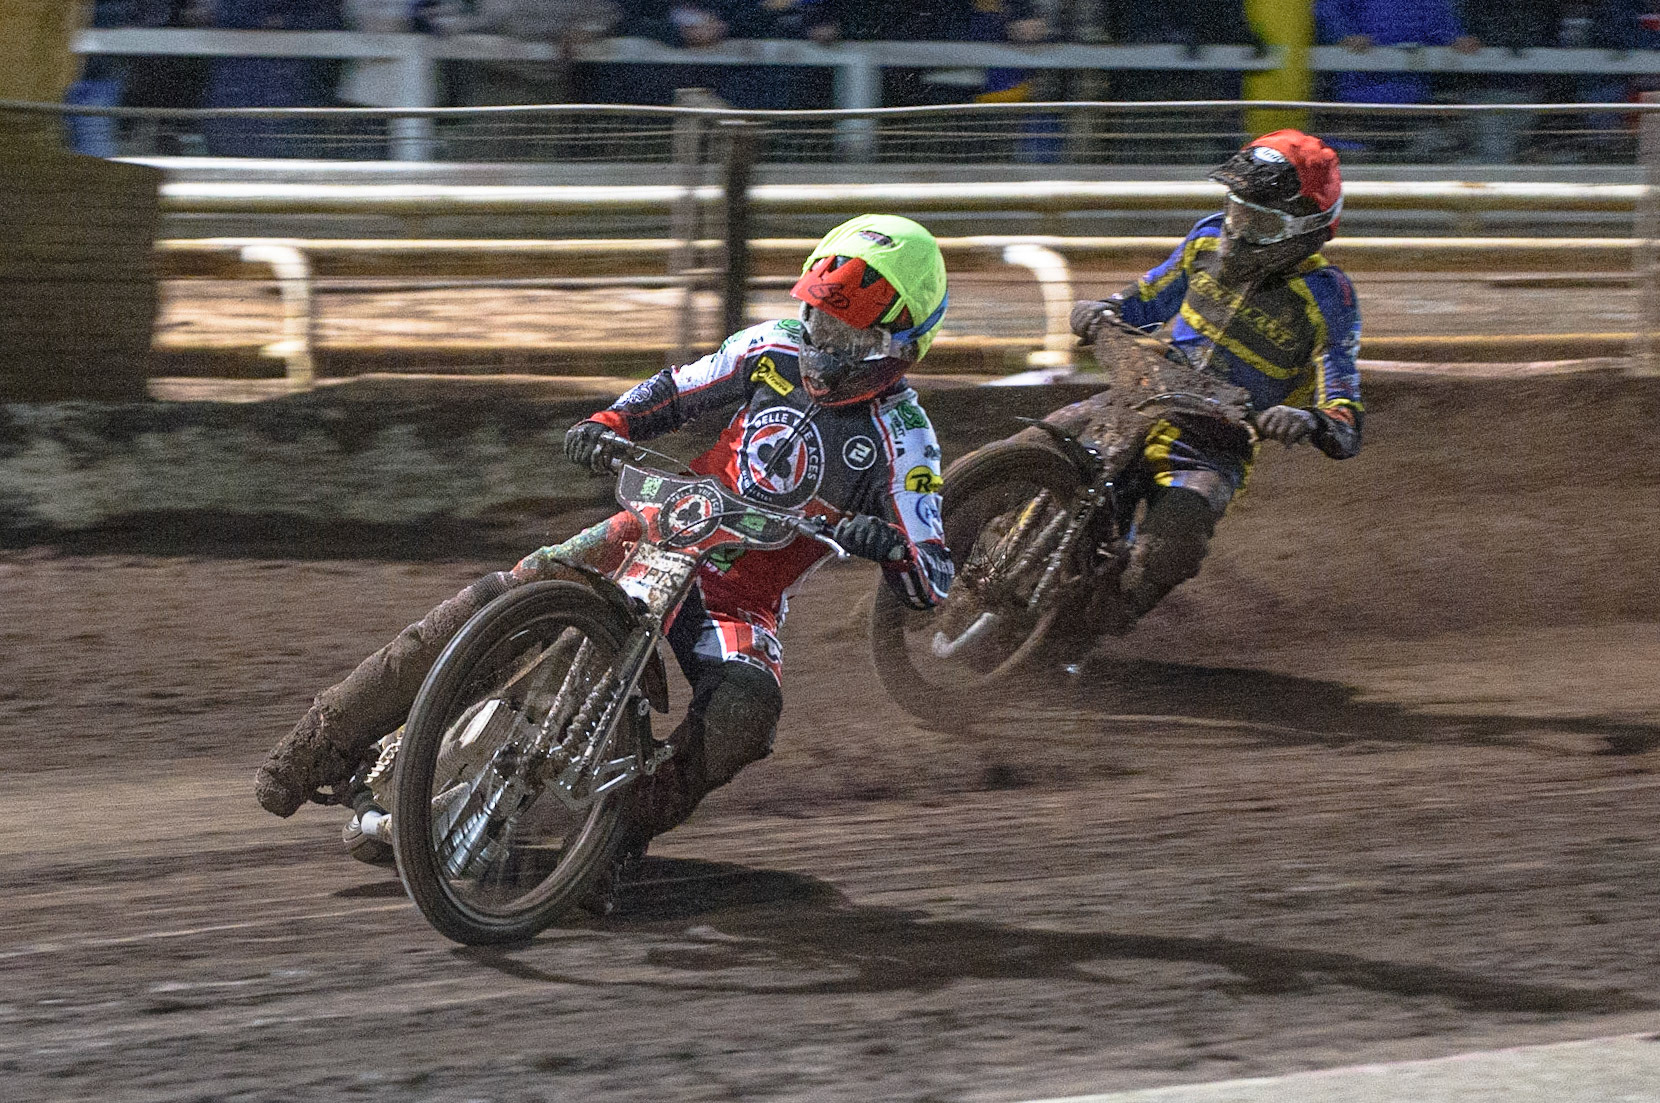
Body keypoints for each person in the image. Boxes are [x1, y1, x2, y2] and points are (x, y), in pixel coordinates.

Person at [254, 213, 955, 902]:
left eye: (846, 332)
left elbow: (933, 577)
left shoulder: (906, 441)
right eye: (818, 321)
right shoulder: (770, 349)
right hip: (657, 527)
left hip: (737, 600)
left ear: (899, 345)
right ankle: (320, 739)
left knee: (747, 712)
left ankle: (612, 839)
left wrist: (886, 544)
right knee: (507, 592)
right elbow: (679, 389)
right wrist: (609, 421)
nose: (823, 343)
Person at [1067, 130, 1363, 634]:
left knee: (1174, 538)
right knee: (1035, 444)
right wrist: (1105, 308)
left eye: (1260, 221)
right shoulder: (1206, 237)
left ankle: (1086, 632)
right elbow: (1148, 298)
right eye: (1236, 210)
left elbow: (1346, 414)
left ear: (1308, 228)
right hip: (1144, 395)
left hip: (1215, 439)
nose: (1239, 230)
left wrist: (1308, 420)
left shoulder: (1327, 297)